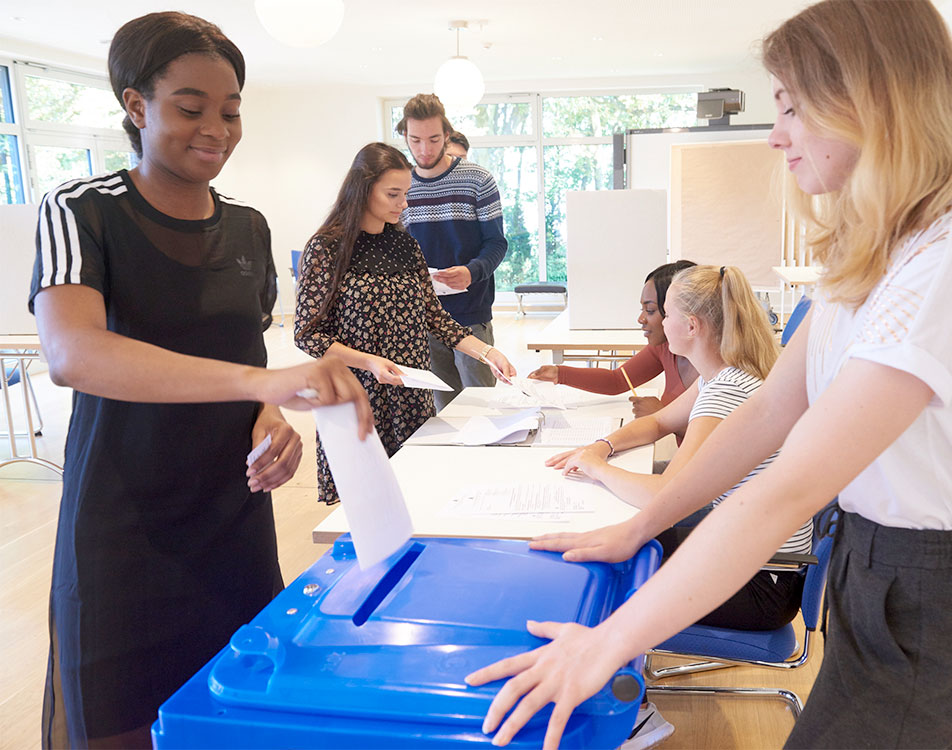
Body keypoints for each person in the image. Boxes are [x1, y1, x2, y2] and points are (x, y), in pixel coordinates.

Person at [466, 2, 952, 749]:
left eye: (792, 108)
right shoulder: (878, 243)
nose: (776, 134)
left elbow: (789, 486)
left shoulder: (951, 252)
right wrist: (639, 526)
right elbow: (773, 408)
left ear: (873, 102)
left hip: (925, 578)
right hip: (872, 555)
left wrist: (609, 643)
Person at [30, 13, 372, 749]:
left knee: (233, 720)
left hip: (232, 524)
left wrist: (268, 418)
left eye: (230, 111)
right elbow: (74, 354)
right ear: (136, 105)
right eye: (190, 108)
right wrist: (260, 383)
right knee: (121, 726)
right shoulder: (83, 210)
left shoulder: (248, 227)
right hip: (123, 532)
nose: (216, 130)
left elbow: (241, 359)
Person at [551, 264, 812, 628]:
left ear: (691, 326)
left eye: (667, 313)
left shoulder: (725, 391)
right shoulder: (723, 374)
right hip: (743, 553)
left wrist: (598, 468)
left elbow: (662, 494)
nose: (661, 322)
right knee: (620, 545)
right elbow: (658, 422)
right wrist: (602, 446)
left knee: (606, 578)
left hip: (763, 584)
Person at [294, 142, 516, 505]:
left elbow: (434, 316)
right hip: (357, 395)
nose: (404, 204)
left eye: (406, 193)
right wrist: (369, 362)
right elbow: (308, 334)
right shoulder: (326, 248)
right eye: (393, 194)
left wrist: (487, 352)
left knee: (416, 496)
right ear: (363, 189)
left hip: (410, 394)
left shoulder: (405, 245)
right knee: (365, 505)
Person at [396, 94, 508, 411]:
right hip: (423, 318)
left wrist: (472, 272)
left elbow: (497, 243)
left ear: (447, 134)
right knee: (444, 412)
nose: (424, 149)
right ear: (405, 136)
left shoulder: (477, 180)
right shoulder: (401, 186)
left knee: (482, 408)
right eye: (415, 140)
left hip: (471, 315)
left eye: (433, 139)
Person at [527, 261, 698, 418]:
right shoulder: (665, 347)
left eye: (650, 310)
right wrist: (560, 373)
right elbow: (618, 380)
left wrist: (662, 416)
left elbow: (711, 434)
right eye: (643, 309)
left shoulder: (709, 369)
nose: (641, 319)